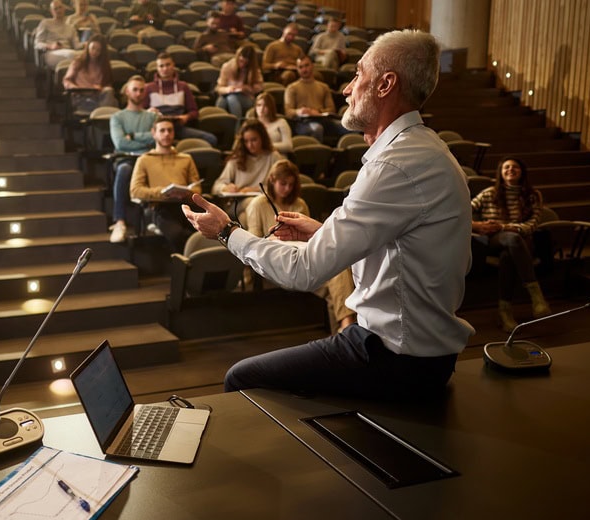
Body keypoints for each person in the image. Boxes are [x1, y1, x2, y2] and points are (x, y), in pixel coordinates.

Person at [182, 29, 474, 400]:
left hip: (396, 358)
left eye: (357, 75)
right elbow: (403, 249)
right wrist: (322, 232)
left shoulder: (395, 165)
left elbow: (302, 273)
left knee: (241, 378)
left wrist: (227, 231)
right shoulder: (426, 150)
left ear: (385, 85)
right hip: (424, 352)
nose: (347, 89)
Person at [245, 160, 356, 332]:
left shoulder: (299, 204)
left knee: (337, 275)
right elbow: (253, 244)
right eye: (283, 184)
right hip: (274, 264)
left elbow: (310, 241)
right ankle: (346, 329)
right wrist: (274, 241)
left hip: (303, 259)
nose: (287, 189)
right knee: (338, 277)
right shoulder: (258, 205)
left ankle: (342, 331)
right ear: (272, 180)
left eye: (291, 184)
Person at [471, 157, 551, 331]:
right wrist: (478, 225)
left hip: (523, 239)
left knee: (508, 256)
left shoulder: (533, 195)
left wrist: (504, 226)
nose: (510, 170)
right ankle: (536, 296)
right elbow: (462, 211)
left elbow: (533, 223)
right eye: (506, 167)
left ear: (522, 172)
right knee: (511, 239)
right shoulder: (489, 193)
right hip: (494, 239)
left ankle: (505, 312)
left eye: (515, 167)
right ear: (500, 172)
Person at [130, 116, 201, 253]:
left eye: (170, 130)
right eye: (162, 131)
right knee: (178, 235)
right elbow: (135, 190)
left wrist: (186, 193)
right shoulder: (144, 160)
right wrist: (162, 192)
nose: (167, 134)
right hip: (161, 207)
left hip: (185, 205)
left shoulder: (186, 159)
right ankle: (186, 267)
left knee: (208, 231)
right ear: (153, 133)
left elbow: (197, 187)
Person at [108, 75, 156, 243]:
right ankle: (119, 222)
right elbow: (120, 143)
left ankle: (156, 219)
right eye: (135, 89)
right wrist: (146, 138)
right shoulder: (118, 117)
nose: (138, 93)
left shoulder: (152, 117)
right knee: (124, 170)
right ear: (127, 91)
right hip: (126, 159)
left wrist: (134, 136)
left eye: (142, 90)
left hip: (149, 159)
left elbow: (156, 139)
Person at [211, 119, 285, 221]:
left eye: (254, 140)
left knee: (244, 218)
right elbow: (216, 186)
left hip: (266, 201)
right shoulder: (237, 159)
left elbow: (282, 186)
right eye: (246, 141)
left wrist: (256, 189)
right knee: (254, 203)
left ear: (262, 138)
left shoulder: (273, 157)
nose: (250, 145)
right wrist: (225, 188)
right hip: (238, 203)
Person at [144, 52, 216, 146]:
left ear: (173, 65)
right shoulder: (149, 88)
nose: (165, 68)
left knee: (211, 139)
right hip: (158, 129)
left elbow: (194, 111)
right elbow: (140, 112)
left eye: (168, 65)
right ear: (157, 68)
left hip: (178, 127)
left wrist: (186, 117)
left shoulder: (183, 86)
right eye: (161, 66)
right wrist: (148, 112)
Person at [283, 55, 347, 144]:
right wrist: (299, 111)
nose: (304, 69)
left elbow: (331, 109)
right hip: (303, 123)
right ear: (297, 69)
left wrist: (317, 111)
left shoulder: (324, 87)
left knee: (347, 127)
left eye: (306, 65)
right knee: (317, 129)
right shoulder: (291, 88)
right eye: (301, 67)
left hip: (323, 120)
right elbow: (288, 112)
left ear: (312, 66)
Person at [62, 34, 116, 114]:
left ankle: (102, 117)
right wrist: (76, 88)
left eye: (98, 50)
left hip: (97, 97)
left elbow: (108, 84)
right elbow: (66, 80)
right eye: (93, 48)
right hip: (81, 97)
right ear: (88, 47)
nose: (94, 52)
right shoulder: (78, 62)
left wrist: (101, 87)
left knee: (109, 93)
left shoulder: (104, 66)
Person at [215, 44, 262, 119]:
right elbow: (219, 88)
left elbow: (259, 87)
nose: (242, 65)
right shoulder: (227, 67)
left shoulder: (254, 70)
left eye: (245, 63)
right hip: (227, 94)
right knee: (222, 101)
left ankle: (238, 122)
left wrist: (247, 88)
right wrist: (228, 89)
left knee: (231, 98)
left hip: (246, 97)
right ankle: (222, 124)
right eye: (241, 61)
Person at [33, 0, 79, 71]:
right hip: (51, 53)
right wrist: (50, 46)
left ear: (64, 9)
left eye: (60, 7)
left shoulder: (70, 27)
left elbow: (77, 45)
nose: (58, 10)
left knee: (85, 55)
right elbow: (37, 44)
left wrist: (87, 45)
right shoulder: (45, 23)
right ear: (51, 11)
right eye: (55, 9)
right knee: (72, 55)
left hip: (68, 51)